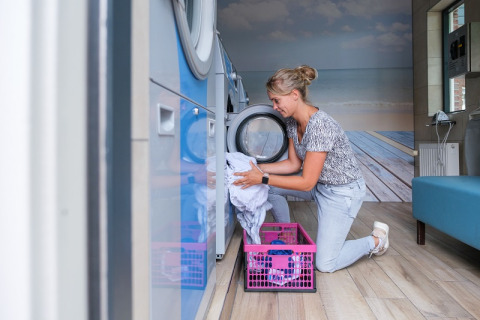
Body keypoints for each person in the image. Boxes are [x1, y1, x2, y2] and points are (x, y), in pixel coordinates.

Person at [233, 65, 389, 273]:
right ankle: (286, 237)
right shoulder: (292, 122)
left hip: (342, 193)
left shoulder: (320, 126)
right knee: (270, 188)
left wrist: (261, 177)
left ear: (294, 95)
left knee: (325, 264)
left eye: (276, 100)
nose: (274, 106)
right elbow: (293, 164)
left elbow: (306, 182)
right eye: (272, 101)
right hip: (321, 186)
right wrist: (256, 168)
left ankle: (376, 240)